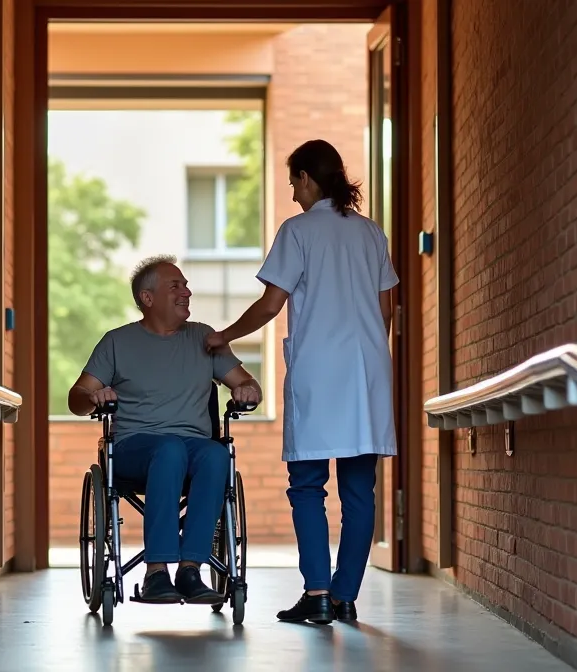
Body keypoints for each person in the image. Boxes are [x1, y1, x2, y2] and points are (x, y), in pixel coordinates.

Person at [205, 139, 397, 624]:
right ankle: (345, 595)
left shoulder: (299, 231)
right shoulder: (372, 233)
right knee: (359, 488)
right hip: (366, 371)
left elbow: (271, 305)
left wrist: (223, 336)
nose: (293, 193)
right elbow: (387, 309)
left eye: (294, 182)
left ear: (308, 177)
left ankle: (317, 593)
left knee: (308, 486)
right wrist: (369, 351)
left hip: (319, 370)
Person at [68, 254, 263, 605]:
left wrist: (247, 389)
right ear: (148, 298)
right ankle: (156, 571)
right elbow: (76, 397)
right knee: (169, 450)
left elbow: (246, 382)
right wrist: (95, 397)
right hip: (134, 448)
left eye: (186, 285)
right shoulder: (117, 342)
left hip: (194, 448)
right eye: (176, 286)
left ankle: (190, 570)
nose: (186, 291)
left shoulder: (204, 338)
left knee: (218, 456)